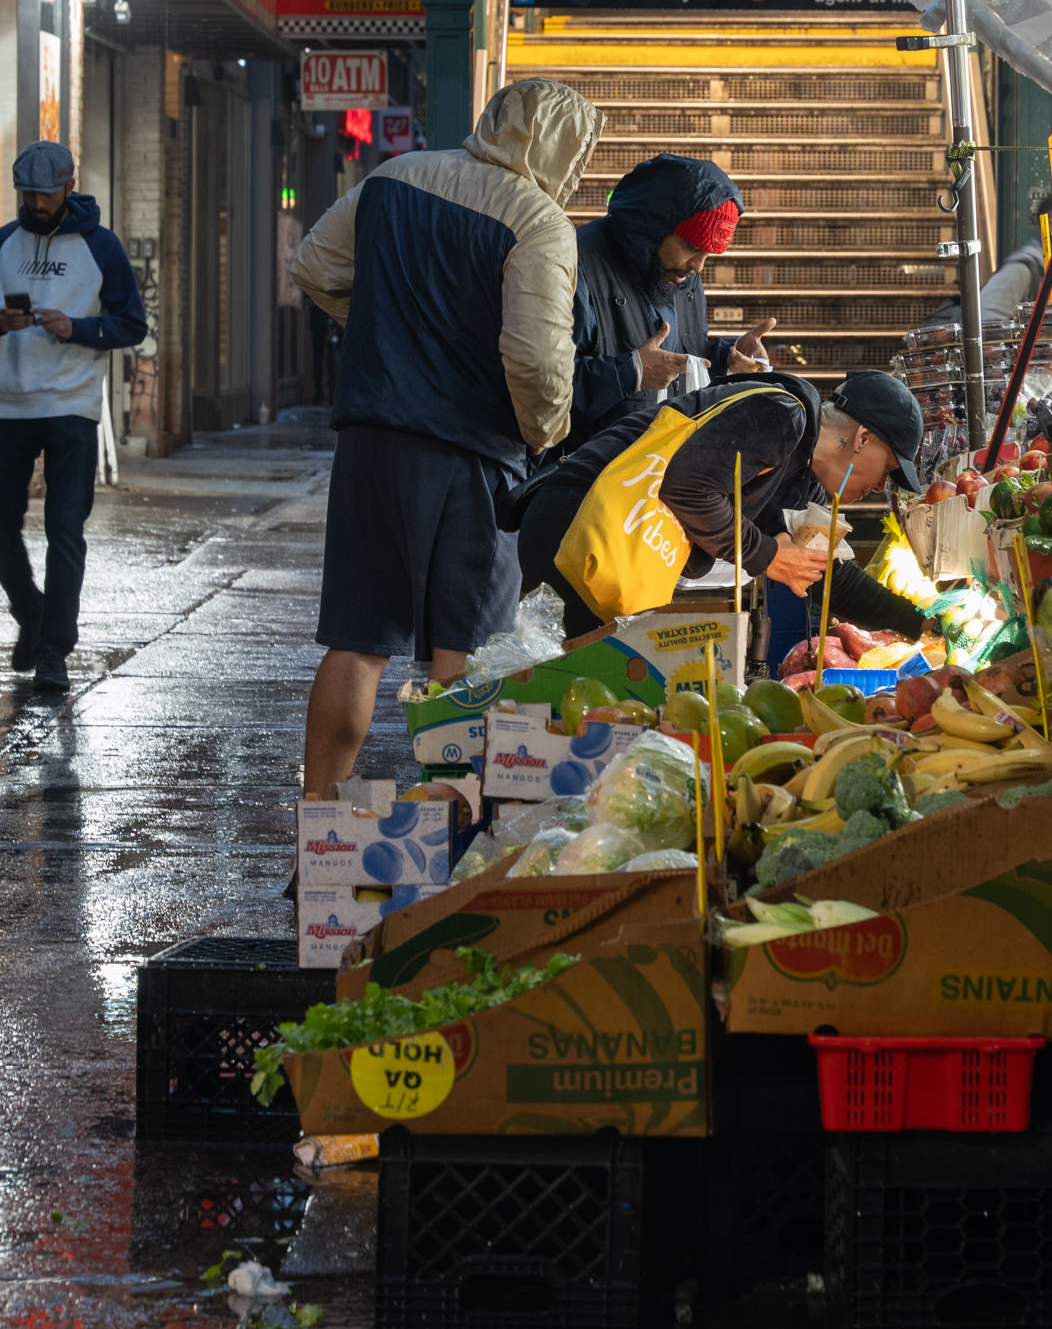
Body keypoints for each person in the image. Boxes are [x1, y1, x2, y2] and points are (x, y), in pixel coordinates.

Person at [292, 78, 602, 796]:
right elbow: (533, 358)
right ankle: (457, 830)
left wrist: (383, 330)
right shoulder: (539, 221)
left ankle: (317, 829)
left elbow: (315, 267)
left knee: (358, 642)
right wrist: (545, 436)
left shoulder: (392, 178)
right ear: (562, 147)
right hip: (475, 457)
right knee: (464, 656)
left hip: (370, 438)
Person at [513, 364, 932, 644]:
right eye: (888, 469)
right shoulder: (781, 416)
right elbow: (687, 487)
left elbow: (826, 575)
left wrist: (920, 625)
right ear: (862, 439)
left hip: (612, 546)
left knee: (596, 694)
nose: (880, 487)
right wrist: (766, 553)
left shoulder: (802, 484)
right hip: (576, 524)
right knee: (578, 694)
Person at [0, 140, 147, 694]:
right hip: (9, 405)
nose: (35, 202)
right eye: (27, 193)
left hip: (72, 408)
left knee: (64, 531)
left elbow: (132, 325)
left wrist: (77, 328)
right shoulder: (4, 245)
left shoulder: (100, 247)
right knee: (0, 528)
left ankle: (54, 653)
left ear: (68, 186)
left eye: (44, 192)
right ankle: (31, 615)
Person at [565, 152, 774, 451]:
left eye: (708, 254)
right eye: (691, 247)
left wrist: (728, 362)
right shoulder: (573, 264)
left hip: (657, 477)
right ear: (650, 229)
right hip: (587, 481)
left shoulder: (680, 273)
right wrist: (629, 372)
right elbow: (538, 391)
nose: (698, 266)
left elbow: (676, 360)